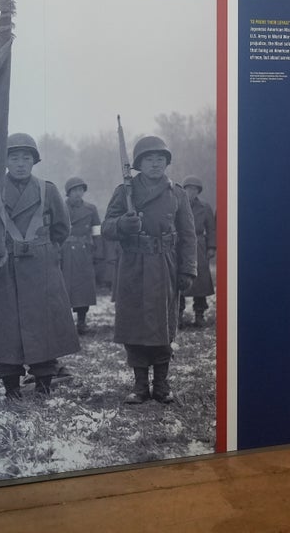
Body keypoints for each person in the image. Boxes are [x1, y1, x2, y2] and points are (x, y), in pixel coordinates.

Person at [0, 133, 78, 400]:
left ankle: (43, 385)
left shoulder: (48, 190)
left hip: (41, 270)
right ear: (4, 161)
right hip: (4, 268)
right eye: (14, 157)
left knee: (45, 329)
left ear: (34, 161)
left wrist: (44, 251)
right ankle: (12, 389)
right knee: (6, 332)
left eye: (26, 158)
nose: (20, 163)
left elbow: (61, 229)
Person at [102, 135, 196, 404]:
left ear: (166, 162)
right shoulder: (124, 192)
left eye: (160, 159)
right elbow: (106, 227)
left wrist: (188, 269)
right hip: (133, 265)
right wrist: (123, 224)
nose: (155, 164)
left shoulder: (176, 192)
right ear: (138, 164)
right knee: (134, 324)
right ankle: (140, 385)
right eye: (149, 159)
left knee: (163, 325)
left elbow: (188, 235)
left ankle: (162, 384)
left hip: (164, 264)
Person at [61, 177, 101, 335]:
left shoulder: (91, 209)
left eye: (80, 190)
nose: (78, 194)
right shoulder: (61, 209)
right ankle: (65, 323)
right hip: (65, 253)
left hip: (85, 252)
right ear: (68, 193)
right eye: (74, 191)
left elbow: (96, 231)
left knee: (84, 289)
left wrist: (98, 251)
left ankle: (82, 322)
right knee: (64, 288)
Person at [181, 175, 216, 328]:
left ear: (198, 191)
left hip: (199, 246)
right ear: (184, 190)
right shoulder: (178, 205)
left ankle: (199, 314)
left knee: (200, 282)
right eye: (188, 189)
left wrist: (211, 247)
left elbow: (211, 229)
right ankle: (178, 315)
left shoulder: (205, 207)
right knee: (179, 281)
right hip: (181, 247)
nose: (191, 192)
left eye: (194, 189)